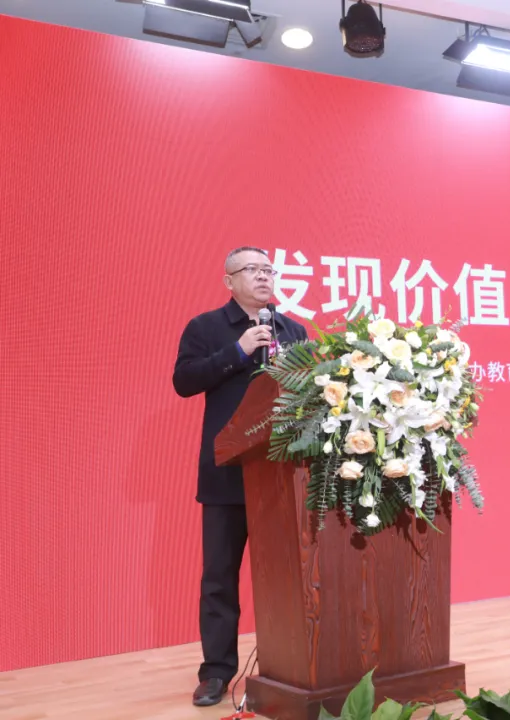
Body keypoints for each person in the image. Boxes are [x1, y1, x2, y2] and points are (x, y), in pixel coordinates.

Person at [172, 246, 308, 707]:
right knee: (220, 578)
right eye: (253, 269)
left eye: (269, 269)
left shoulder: (293, 330)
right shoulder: (206, 327)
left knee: (288, 577)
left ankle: (288, 667)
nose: (264, 276)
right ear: (229, 280)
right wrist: (238, 351)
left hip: (282, 474)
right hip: (227, 475)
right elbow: (184, 381)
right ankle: (216, 672)